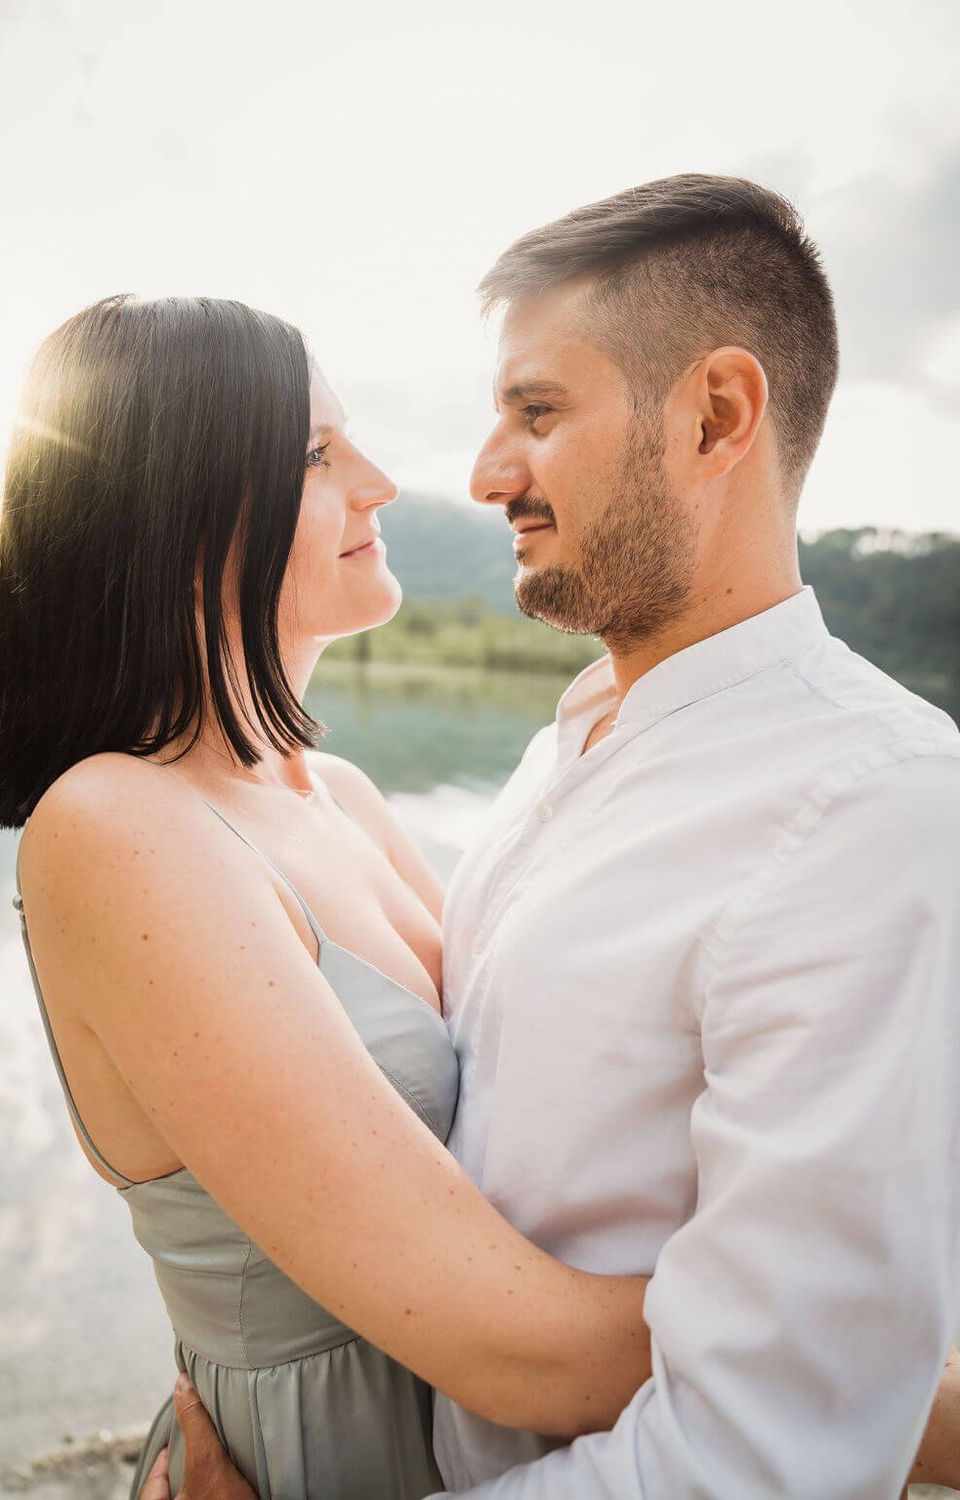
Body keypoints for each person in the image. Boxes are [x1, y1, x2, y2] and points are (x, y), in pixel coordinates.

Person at [150, 175, 960, 1499]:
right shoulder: (568, 742)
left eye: (537, 412)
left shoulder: (871, 812)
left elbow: (757, 1454)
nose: (480, 474)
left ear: (716, 417)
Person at [0, 295, 655, 1500]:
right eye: (315, 454)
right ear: (173, 510)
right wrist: (907, 1391)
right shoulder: (117, 825)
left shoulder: (337, 791)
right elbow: (504, 1345)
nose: (380, 481)